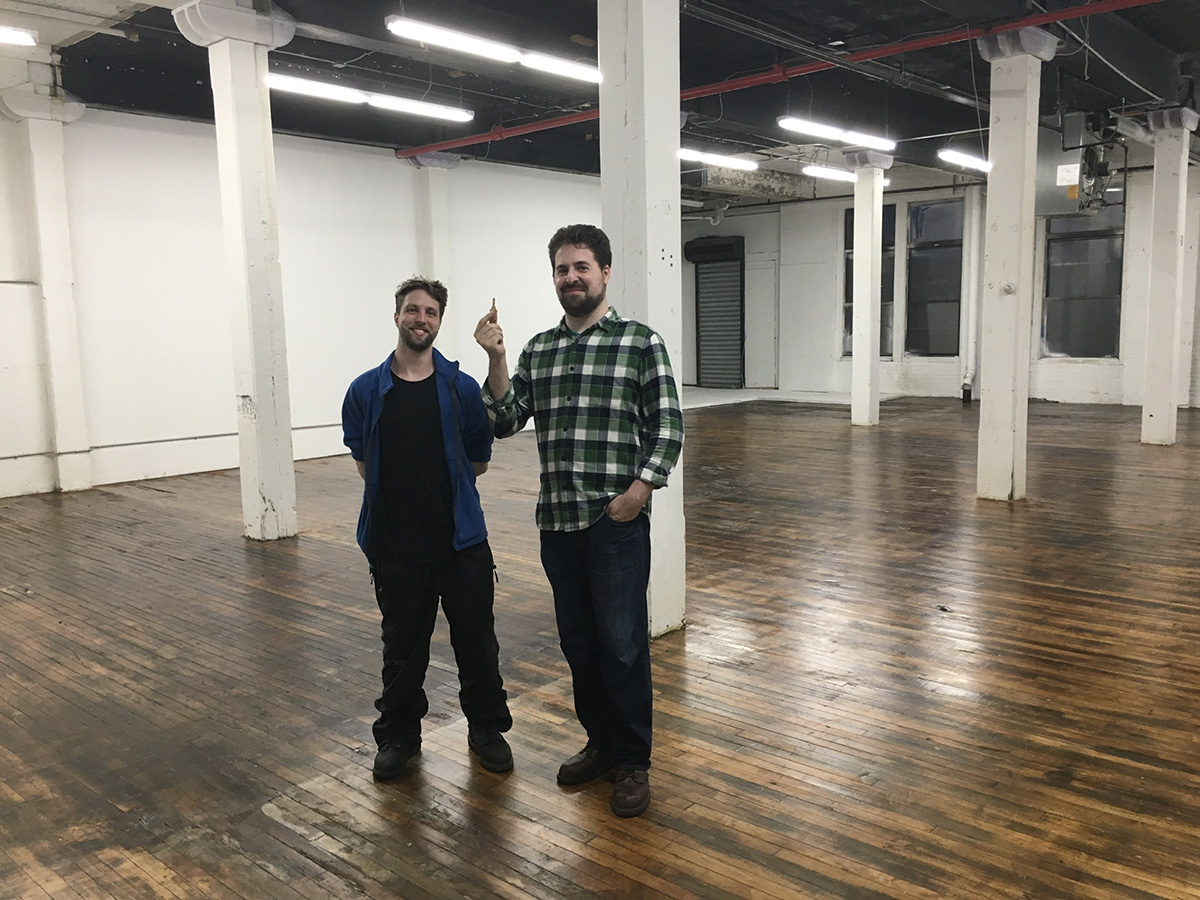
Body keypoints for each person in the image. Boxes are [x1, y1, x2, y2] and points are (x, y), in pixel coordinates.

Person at [473, 224, 683, 817]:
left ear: (605, 272)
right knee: (580, 646)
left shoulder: (640, 343)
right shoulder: (541, 349)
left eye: (581, 267)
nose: (571, 278)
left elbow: (667, 427)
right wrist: (497, 358)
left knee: (622, 648)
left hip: (613, 524)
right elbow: (506, 420)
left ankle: (633, 762)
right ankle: (601, 745)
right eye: (562, 269)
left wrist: (638, 493)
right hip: (558, 525)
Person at [342, 277, 513, 780]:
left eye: (431, 312)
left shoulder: (459, 389)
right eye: (412, 310)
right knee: (402, 650)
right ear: (396, 316)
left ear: (439, 321)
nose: (421, 319)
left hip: (460, 545)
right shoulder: (366, 391)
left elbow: (478, 462)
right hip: (395, 548)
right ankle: (399, 736)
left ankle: (486, 729)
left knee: (477, 644)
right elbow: (364, 462)